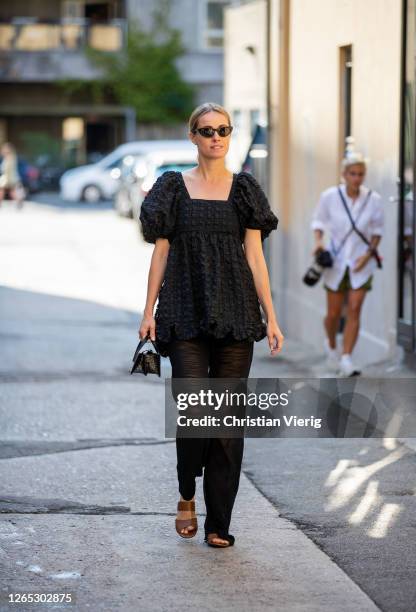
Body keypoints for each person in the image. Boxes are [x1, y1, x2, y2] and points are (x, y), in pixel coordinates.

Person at [138, 102, 284, 548]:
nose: (215, 137)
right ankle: (187, 494)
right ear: (193, 137)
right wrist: (148, 312)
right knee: (194, 415)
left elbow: (255, 257)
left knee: (226, 426)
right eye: (206, 130)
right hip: (183, 313)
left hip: (237, 314)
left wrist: (271, 316)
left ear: (230, 135)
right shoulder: (172, 188)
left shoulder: (244, 190)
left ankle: (219, 522)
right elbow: (160, 252)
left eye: (223, 129)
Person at [310, 140, 384, 376]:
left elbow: (377, 232)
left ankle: (347, 358)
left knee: (355, 308)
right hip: (336, 261)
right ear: (344, 174)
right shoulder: (330, 196)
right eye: (352, 173)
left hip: (361, 263)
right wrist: (319, 242)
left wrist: (368, 254)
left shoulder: (373, 199)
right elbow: (318, 222)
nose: (357, 178)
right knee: (333, 314)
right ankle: (331, 345)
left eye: (361, 174)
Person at [0, 142, 25, 209]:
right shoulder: (6, 158)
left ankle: (19, 202)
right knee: (6, 191)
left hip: (10, 178)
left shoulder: (11, 158)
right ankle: (19, 202)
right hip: (8, 178)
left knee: (10, 191)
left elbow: (8, 169)